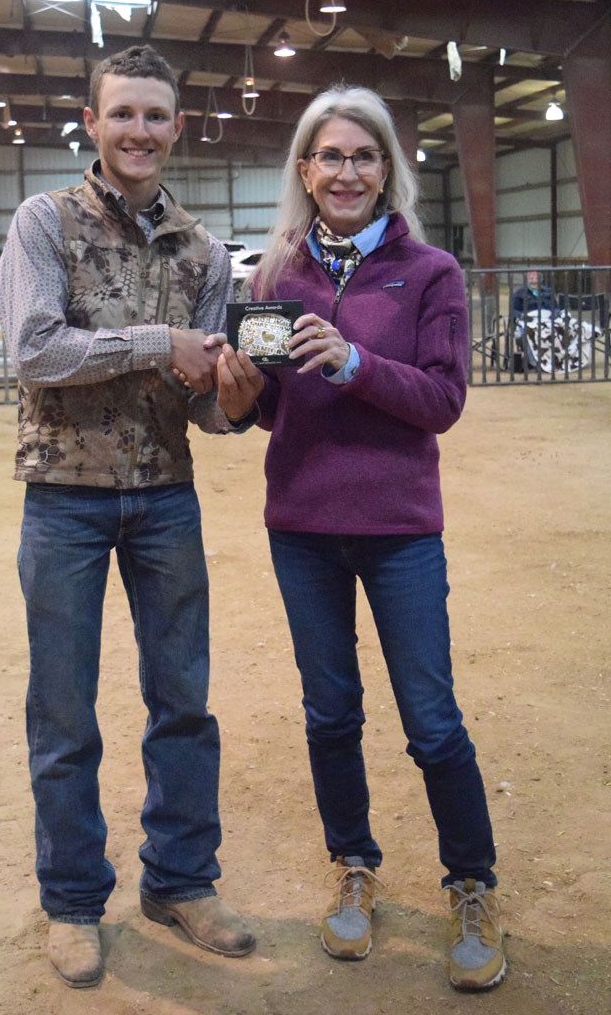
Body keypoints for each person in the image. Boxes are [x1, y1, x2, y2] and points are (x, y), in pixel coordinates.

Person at [215, 84, 506, 992]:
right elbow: (271, 410)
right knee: (331, 715)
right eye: (330, 157)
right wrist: (238, 399)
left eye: (364, 156)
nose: (347, 172)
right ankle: (353, 865)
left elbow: (443, 401)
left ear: (386, 170)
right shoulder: (273, 277)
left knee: (432, 720)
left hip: (399, 532)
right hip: (302, 529)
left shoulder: (432, 273)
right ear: (305, 170)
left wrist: (354, 362)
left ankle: (471, 883)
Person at [0, 45, 255, 988]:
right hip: (64, 498)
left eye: (155, 116)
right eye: (122, 114)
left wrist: (235, 397)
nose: (138, 131)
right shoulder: (43, 221)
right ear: (93, 123)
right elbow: (35, 350)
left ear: (176, 127)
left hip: (164, 496)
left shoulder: (204, 252)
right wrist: (158, 341)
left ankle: (181, 881)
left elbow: (203, 407)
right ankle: (72, 900)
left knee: (183, 701)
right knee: (64, 709)